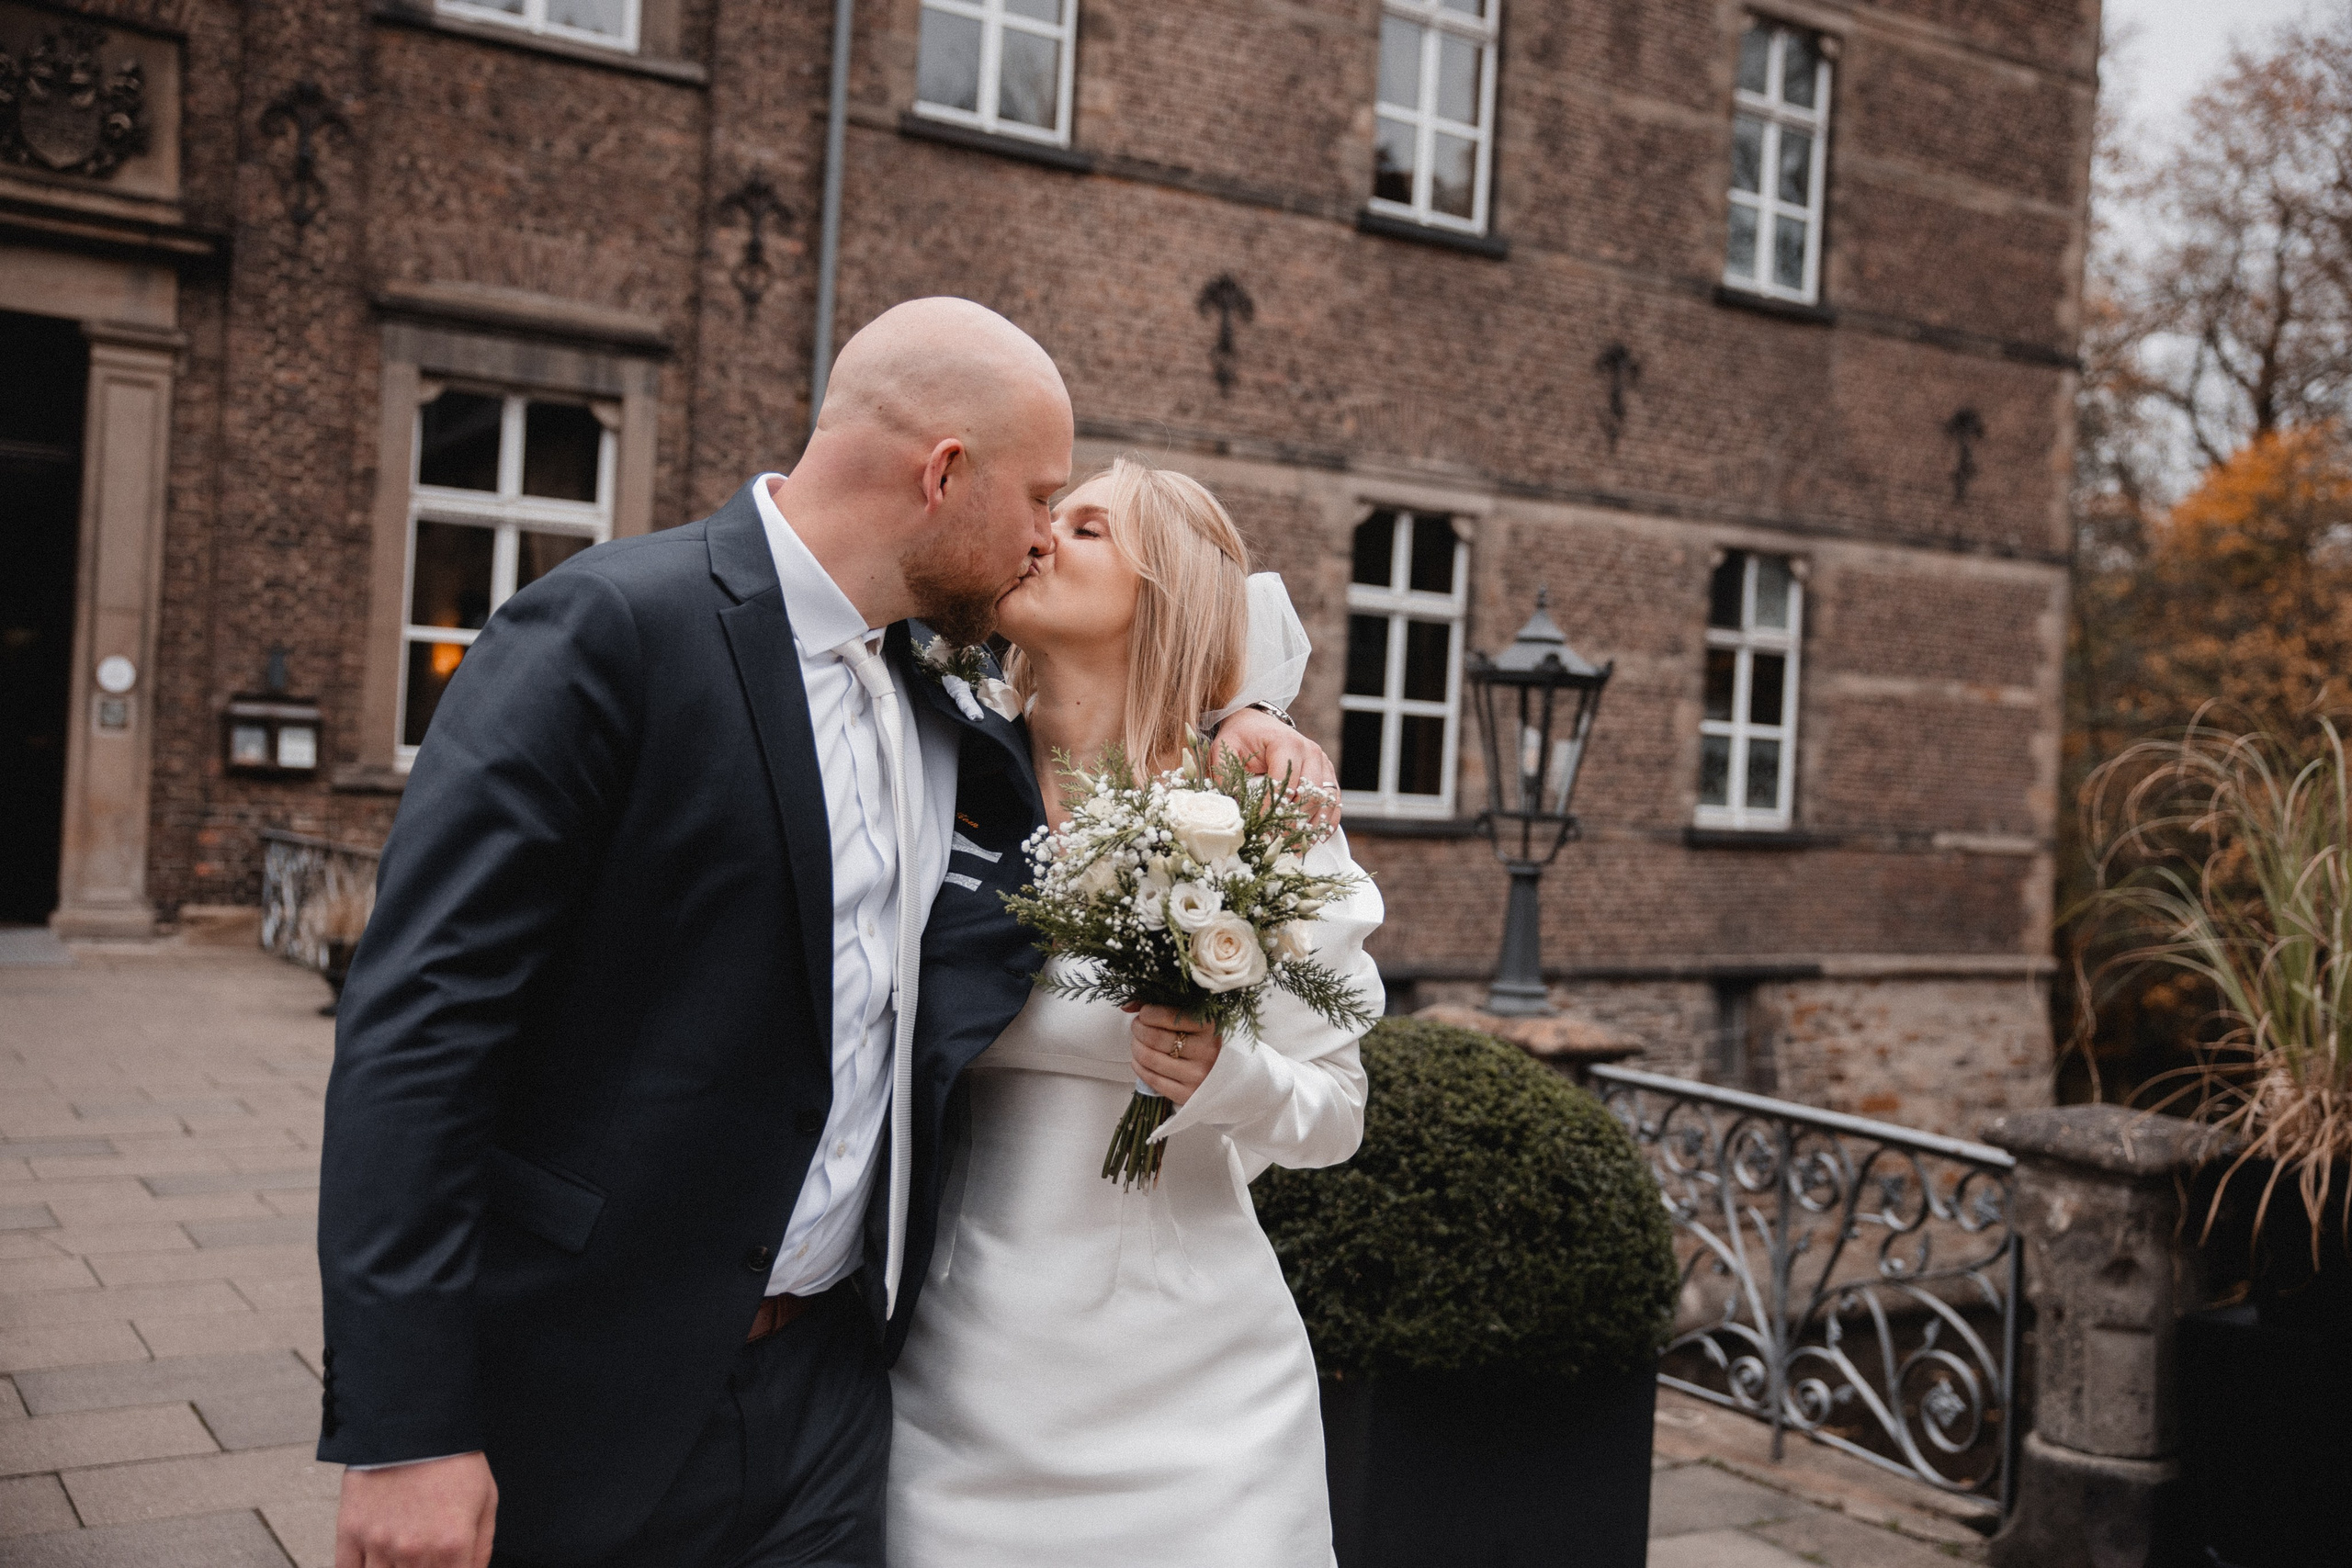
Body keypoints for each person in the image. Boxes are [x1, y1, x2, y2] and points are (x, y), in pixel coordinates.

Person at [315, 299, 1329, 1568]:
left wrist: (1243, 716)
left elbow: (1118, 721)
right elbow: (418, 1031)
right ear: (944, 473)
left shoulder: (943, 709)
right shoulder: (612, 628)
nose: (1035, 542)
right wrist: (405, 1421)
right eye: (1040, 498)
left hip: (843, 1404)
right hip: (597, 1383)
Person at [887, 457, 1385, 1567]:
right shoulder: (933, 770)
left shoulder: (1259, 812)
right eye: (1047, 515)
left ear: (1163, 596)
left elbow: (1337, 1113)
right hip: (961, 1383)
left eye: (1090, 528)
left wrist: (1226, 1076)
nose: (1043, 537)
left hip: (1203, 1405)